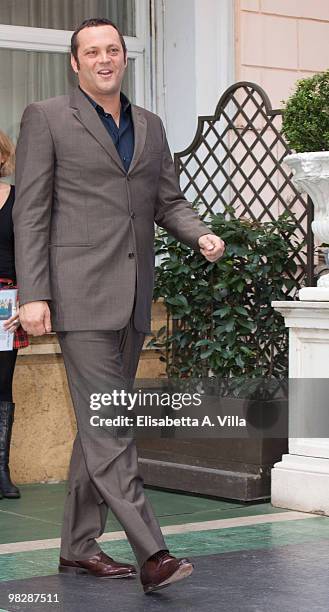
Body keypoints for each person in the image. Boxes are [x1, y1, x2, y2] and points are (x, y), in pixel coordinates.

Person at [13, 18, 225, 593]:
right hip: (78, 296)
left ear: (124, 59)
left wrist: (199, 233)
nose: (104, 59)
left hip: (132, 298)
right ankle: (152, 551)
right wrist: (33, 294)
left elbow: (167, 200)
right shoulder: (48, 116)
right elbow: (30, 211)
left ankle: (79, 548)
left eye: (113, 50)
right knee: (111, 424)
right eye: (92, 52)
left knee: (99, 426)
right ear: (75, 63)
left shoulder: (150, 126)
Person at [0, 130, 29, 500]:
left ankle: (0, 471)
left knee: (1, 385)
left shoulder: (18, 199)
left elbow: (31, 253)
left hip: (6, 303)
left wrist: (29, 301)